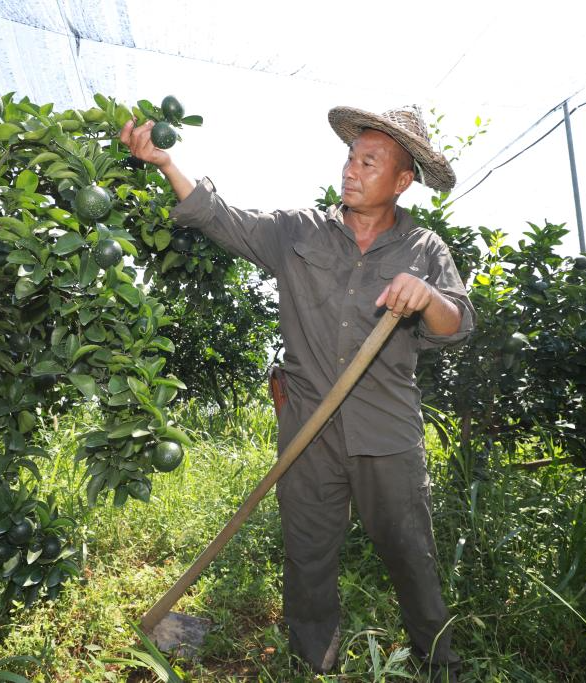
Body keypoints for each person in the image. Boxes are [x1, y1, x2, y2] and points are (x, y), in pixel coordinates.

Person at [121, 104, 474, 680]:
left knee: (411, 554)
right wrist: (166, 164)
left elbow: (455, 324)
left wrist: (427, 296)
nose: (351, 170)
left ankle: (440, 665)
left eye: (369, 162)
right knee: (308, 554)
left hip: (387, 434)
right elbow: (221, 218)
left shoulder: (424, 249)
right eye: (350, 157)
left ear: (402, 181)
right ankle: (313, 662)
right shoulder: (298, 231)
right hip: (308, 429)